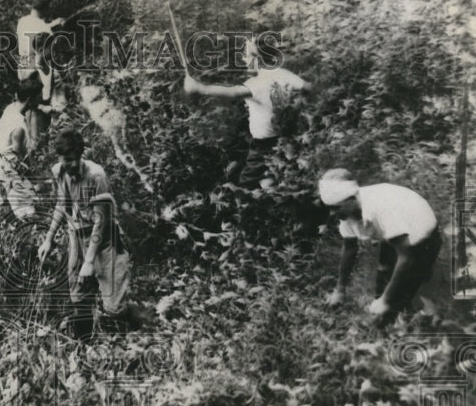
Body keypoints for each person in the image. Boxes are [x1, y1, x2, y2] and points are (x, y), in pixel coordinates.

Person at [37, 129, 132, 339]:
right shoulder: (59, 171)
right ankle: (84, 346)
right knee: (78, 296)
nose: (68, 165)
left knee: (115, 307)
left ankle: (130, 333)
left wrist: (89, 262)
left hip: (105, 239)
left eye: (72, 160)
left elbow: (101, 221)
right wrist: (48, 239)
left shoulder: (96, 176)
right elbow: (62, 204)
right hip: (77, 236)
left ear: (80, 155)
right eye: (64, 160)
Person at [318, 168, 442, 327]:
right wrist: (340, 290)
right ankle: (391, 315)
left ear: (353, 198)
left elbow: (407, 258)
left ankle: (422, 318)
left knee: (404, 296)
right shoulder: (346, 211)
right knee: (384, 278)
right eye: (330, 208)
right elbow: (349, 248)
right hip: (395, 235)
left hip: (421, 237)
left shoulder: (382, 208)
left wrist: (385, 301)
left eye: (336, 208)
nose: (333, 214)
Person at [183, 38, 312, 189]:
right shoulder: (284, 74)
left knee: (246, 184)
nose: (243, 59)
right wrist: (298, 106)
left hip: (263, 144)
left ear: (256, 58)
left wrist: (200, 89)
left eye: (246, 55)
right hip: (287, 138)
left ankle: (254, 198)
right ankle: (272, 186)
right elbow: (308, 87)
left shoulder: (256, 83)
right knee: (275, 173)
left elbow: (233, 92)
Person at [0, 87, 38, 225]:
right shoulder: (19, 124)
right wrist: (30, 163)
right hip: (6, 166)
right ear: (31, 100)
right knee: (25, 205)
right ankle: (33, 237)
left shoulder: (10, 108)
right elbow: (17, 148)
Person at [17, 2, 64, 105]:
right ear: (46, 10)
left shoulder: (22, 21)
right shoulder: (44, 29)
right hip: (36, 73)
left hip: (24, 69)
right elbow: (42, 60)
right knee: (56, 86)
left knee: (26, 101)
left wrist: (53, 24)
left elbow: (36, 27)